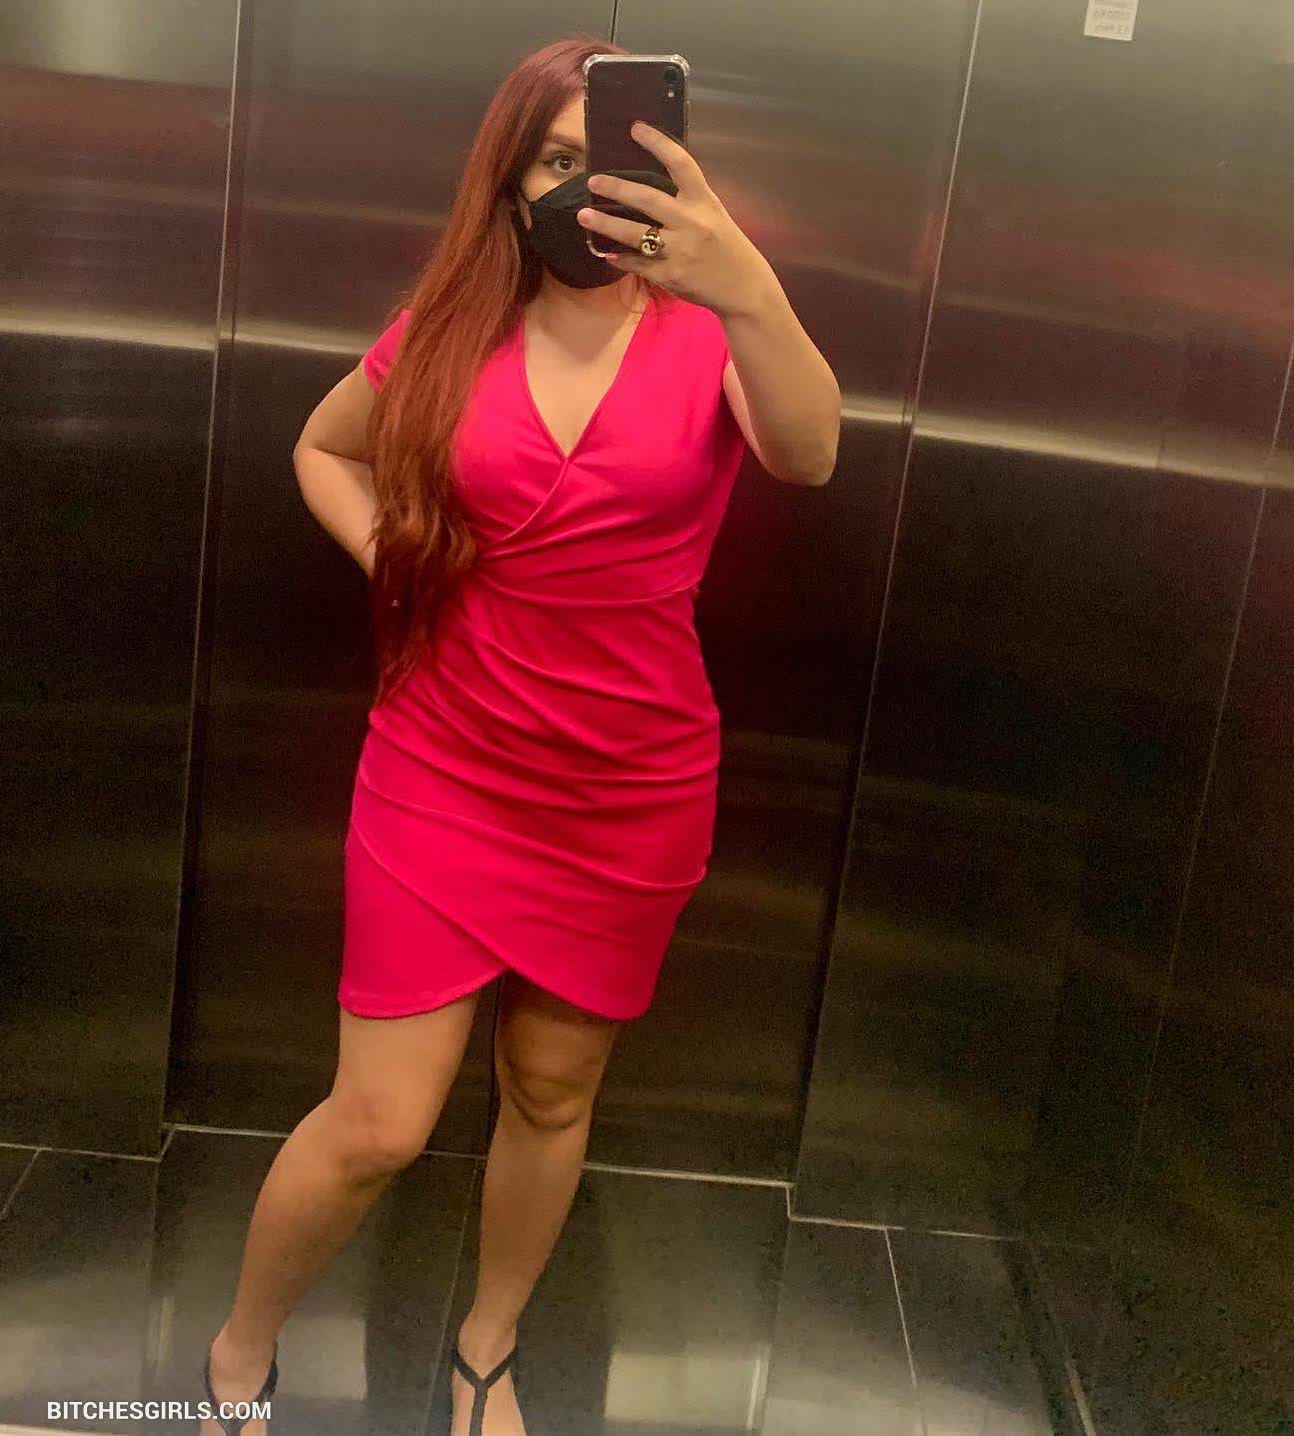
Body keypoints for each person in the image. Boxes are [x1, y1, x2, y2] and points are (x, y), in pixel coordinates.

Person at [201, 33, 839, 1436]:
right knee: (379, 1122)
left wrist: (748, 285)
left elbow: (808, 453)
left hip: (628, 785)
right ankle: (238, 1356)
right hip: (441, 762)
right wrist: (397, 560)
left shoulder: (712, 333)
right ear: (508, 179)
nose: (582, 186)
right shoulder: (447, 327)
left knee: (551, 1090)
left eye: (610, 158)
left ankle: (486, 1347)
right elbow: (324, 445)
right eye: (555, 158)